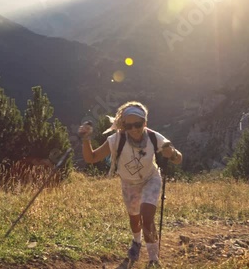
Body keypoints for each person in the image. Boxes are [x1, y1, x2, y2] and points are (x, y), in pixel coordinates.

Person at [78, 101, 182, 268]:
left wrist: (173, 153)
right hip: (129, 183)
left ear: (145, 123)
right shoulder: (116, 140)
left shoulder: (154, 138)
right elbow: (91, 158)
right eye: (129, 125)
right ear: (123, 125)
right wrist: (85, 139)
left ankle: (153, 260)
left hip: (151, 179)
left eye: (138, 124)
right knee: (134, 219)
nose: (134, 129)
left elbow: (178, 159)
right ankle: (136, 241)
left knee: (147, 217)